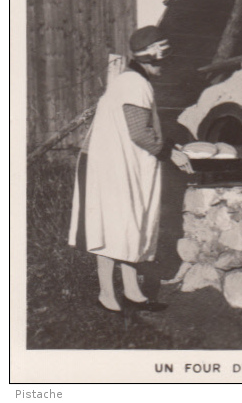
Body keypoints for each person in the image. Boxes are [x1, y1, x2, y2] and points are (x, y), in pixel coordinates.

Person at [69, 26, 193, 313]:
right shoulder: (135, 84)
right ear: (152, 59)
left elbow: (136, 128)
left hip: (116, 164)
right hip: (109, 168)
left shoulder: (129, 81)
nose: (165, 69)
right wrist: (170, 153)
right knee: (113, 229)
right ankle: (106, 294)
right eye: (163, 62)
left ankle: (133, 292)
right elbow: (138, 132)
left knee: (128, 227)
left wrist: (166, 143)